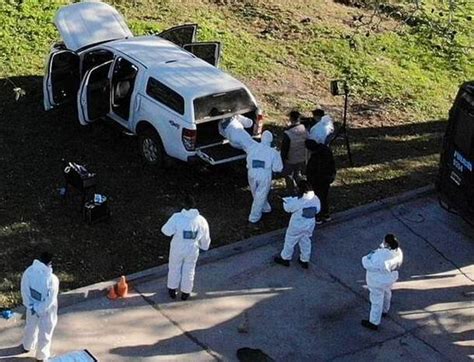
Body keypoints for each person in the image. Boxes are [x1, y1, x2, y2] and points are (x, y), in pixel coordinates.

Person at [161, 195, 211, 301]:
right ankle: (186, 292)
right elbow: (206, 238)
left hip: (177, 247)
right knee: (189, 269)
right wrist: (204, 246)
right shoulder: (201, 220)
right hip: (192, 248)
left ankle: (172, 289)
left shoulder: (177, 217)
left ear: (183, 205)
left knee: (174, 267)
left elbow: (166, 231)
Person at [20, 251, 59, 361]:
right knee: (46, 332)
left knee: (30, 327)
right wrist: (39, 309)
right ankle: (41, 356)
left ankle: (27, 345)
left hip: (31, 307)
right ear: (50, 263)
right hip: (46, 311)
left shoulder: (29, 272)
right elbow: (50, 300)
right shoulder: (52, 279)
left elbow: (24, 289)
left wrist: (30, 305)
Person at [361, 234, 404, 331]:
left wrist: (366, 257)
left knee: (376, 301)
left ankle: (374, 322)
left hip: (377, 281)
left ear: (387, 243)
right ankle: (385, 310)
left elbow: (366, 263)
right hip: (390, 279)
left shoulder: (380, 256)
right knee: (387, 293)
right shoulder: (398, 252)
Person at [274, 180, 321, 269]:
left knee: (290, 241)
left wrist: (285, 201)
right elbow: (318, 210)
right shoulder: (316, 198)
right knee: (305, 241)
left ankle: (285, 258)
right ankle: (304, 259)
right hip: (309, 225)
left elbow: (288, 208)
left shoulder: (299, 200)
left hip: (297, 226)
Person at [246, 130, 283, 224]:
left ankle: (265, 207)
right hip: (264, 175)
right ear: (271, 140)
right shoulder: (273, 152)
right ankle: (254, 218)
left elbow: (248, 161)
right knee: (260, 195)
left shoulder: (253, 147)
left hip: (251, 173)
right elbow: (277, 168)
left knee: (255, 192)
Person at [305, 138, 336, 224]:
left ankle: (318, 216)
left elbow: (311, 172)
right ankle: (326, 214)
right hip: (327, 178)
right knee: (324, 197)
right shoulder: (326, 150)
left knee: (317, 198)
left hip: (318, 181)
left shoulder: (314, 159)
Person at [280, 110, 308, 194]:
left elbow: (284, 149)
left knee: (288, 175)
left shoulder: (288, 133)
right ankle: (303, 187)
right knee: (297, 174)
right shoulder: (304, 129)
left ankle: (291, 192)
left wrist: (282, 160)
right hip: (301, 157)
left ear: (291, 119)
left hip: (290, 159)